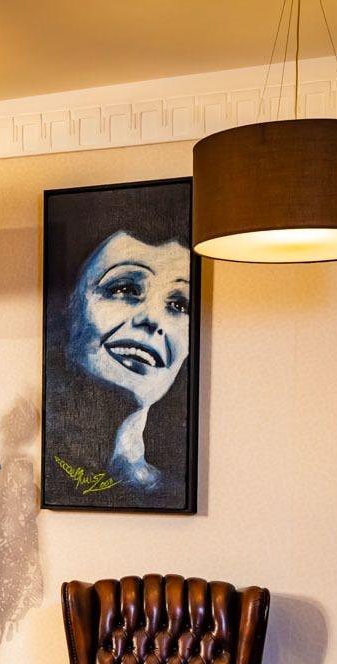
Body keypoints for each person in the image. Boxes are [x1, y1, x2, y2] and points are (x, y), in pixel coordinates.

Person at [43, 180, 194, 510]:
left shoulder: (170, 489)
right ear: (68, 307)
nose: (152, 319)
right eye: (124, 289)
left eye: (179, 305)